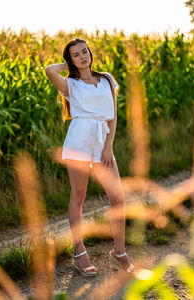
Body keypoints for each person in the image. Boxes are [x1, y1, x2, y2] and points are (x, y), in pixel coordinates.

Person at [45, 38, 134, 277]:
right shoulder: (70, 84)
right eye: (76, 55)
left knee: (118, 197)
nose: (83, 56)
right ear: (70, 59)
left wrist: (109, 146)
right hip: (79, 141)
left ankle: (119, 252)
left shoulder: (106, 79)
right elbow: (48, 70)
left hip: (102, 141)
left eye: (85, 51)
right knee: (79, 195)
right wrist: (68, 66)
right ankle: (79, 251)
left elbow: (113, 115)